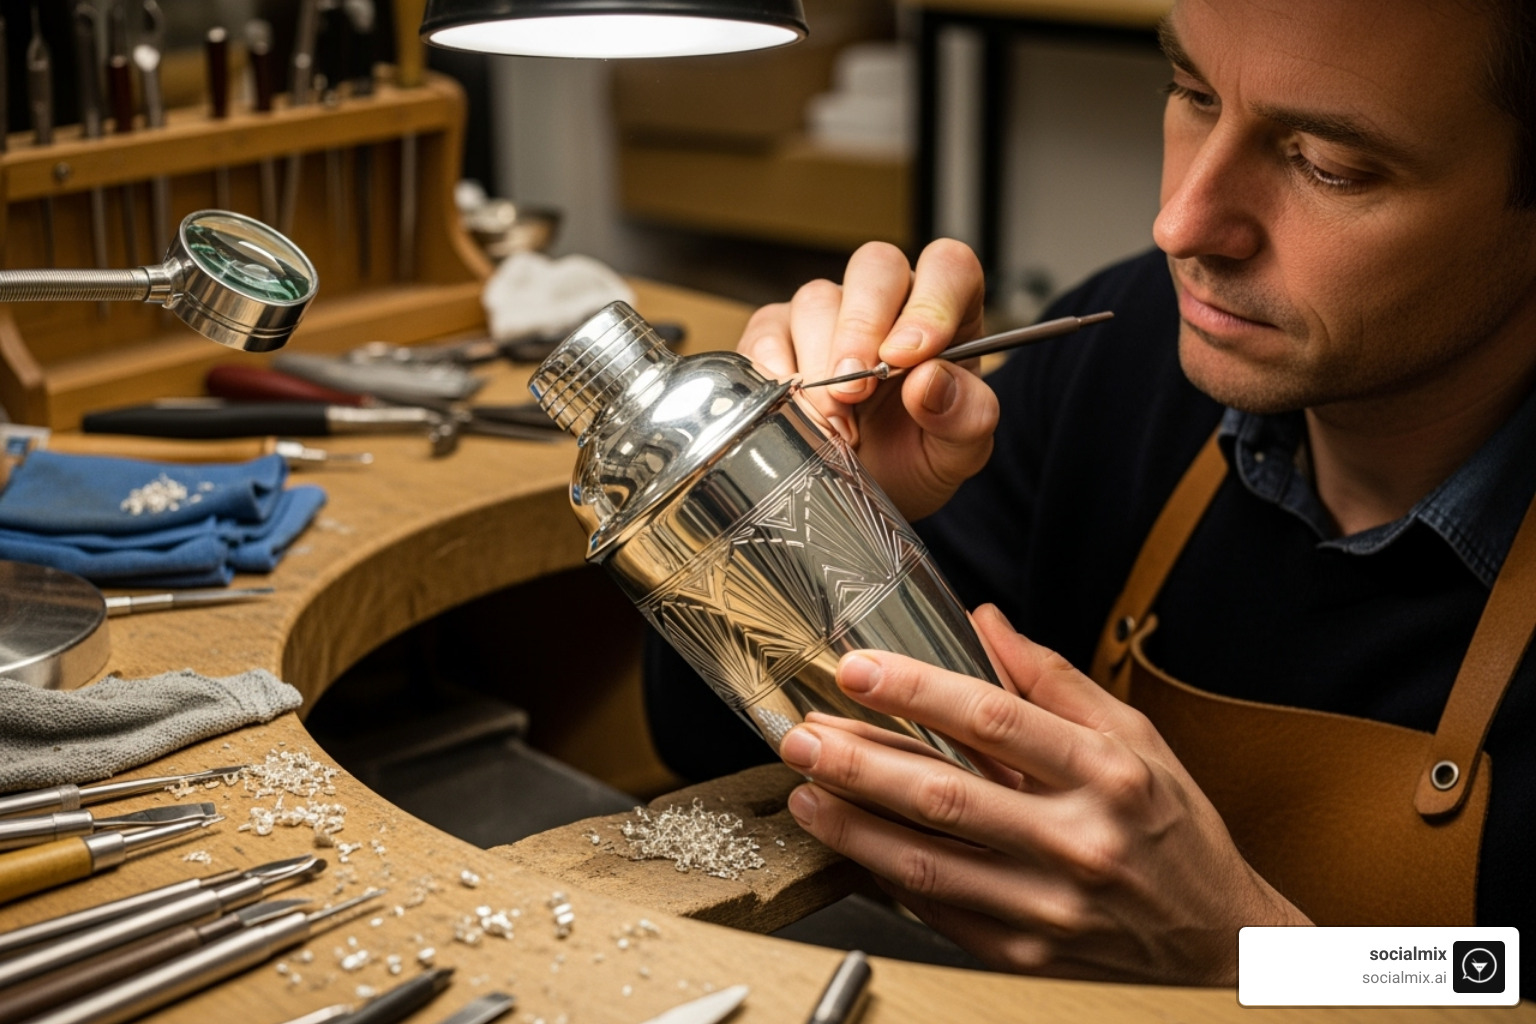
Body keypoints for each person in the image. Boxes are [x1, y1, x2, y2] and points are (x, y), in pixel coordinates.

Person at [643, 0, 1536, 988]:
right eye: (1192, 94)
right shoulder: (1125, 358)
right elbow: (717, 765)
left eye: (1328, 163)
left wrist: (1245, 954)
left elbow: (1504, 973)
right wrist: (813, 527)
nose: (1182, 223)